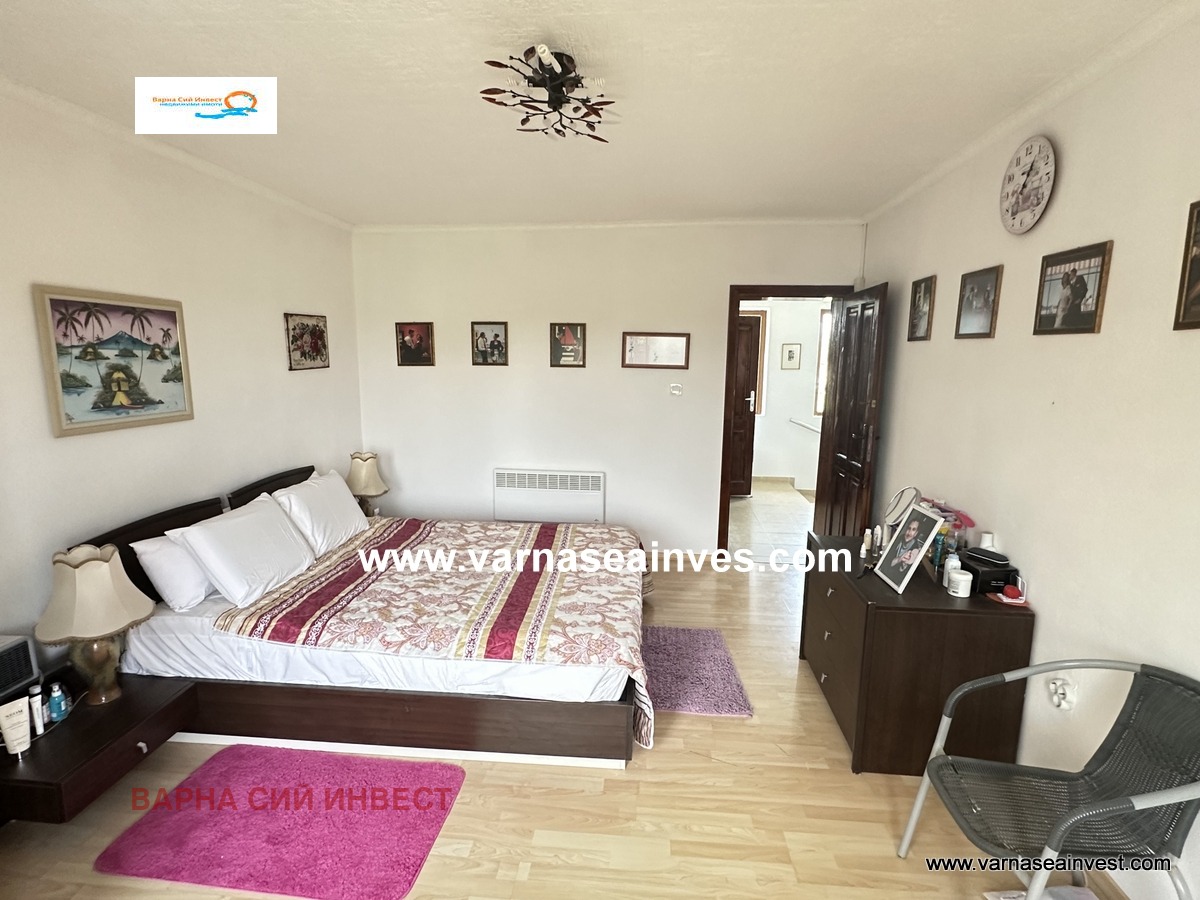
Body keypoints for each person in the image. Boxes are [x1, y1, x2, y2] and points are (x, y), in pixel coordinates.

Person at [883, 517, 923, 582]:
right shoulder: (899, 538)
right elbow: (886, 562)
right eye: (909, 528)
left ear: (916, 533)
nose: (909, 532)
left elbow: (902, 574)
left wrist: (896, 561)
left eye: (913, 530)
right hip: (886, 576)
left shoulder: (915, 550)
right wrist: (899, 559)